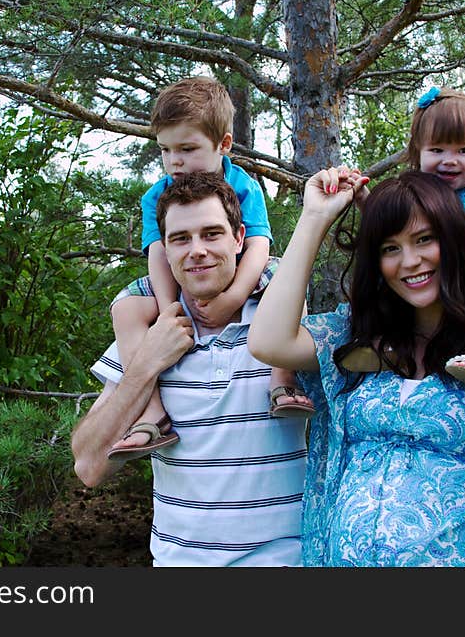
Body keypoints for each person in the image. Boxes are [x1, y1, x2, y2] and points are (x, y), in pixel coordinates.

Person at [248, 167, 465, 566]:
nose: (409, 261)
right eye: (389, 248)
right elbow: (269, 341)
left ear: (451, 238)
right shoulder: (356, 335)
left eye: (424, 239)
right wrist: (315, 218)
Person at [72, 172, 308, 566]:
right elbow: (88, 467)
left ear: (239, 239)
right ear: (164, 250)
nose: (196, 250)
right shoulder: (145, 337)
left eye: (211, 233)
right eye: (181, 238)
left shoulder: (284, 328)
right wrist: (146, 364)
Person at [107, 76, 312, 462]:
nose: (175, 162)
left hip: (241, 273)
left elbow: (258, 247)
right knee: (126, 306)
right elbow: (159, 254)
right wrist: (172, 309)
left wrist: (233, 296)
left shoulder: (242, 186)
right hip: (177, 281)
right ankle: (150, 408)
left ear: (224, 145)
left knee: (286, 280)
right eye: (165, 151)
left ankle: (282, 378)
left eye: (187, 148)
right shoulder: (157, 195)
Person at [341, 87, 465, 391]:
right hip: (445, 279)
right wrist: (364, 199)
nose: (449, 161)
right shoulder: (421, 190)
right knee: (393, 275)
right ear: (418, 153)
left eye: (463, 151)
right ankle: (386, 347)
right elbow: (394, 226)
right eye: (437, 150)